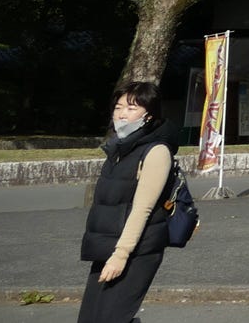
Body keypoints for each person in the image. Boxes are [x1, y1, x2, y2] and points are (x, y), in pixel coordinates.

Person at [79, 80, 174, 323]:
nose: (122, 114)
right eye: (118, 107)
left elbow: (142, 209)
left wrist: (121, 255)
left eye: (132, 108)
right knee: (91, 318)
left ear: (148, 116)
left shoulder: (156, 152)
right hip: (107, 246)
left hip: (135, 251)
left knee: (111, 318)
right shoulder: (118, 150)